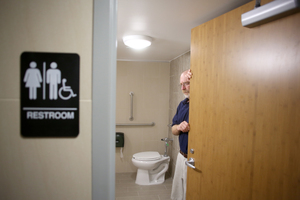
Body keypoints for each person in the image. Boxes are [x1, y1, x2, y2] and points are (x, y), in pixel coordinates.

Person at [171, 69, 192, 200]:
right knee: (178, 194)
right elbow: (173, 129)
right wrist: (179, 127)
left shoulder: (202, 104)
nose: (183, 88)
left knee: (188, 194)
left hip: (193, 159)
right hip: (181, 156)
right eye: (181, 84)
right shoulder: (182, 104)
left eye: (187, 83)